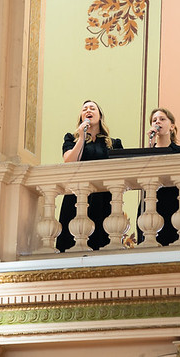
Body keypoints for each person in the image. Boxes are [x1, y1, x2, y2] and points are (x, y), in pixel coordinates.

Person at [56, 100, 123, 252]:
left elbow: (121, 169)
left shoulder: (113, 143)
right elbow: (69, 161)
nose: (88, 110)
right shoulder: (71, 139)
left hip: (103, 198)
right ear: (81, 117)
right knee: (72, 241)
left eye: (92, 108)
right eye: (84, 109)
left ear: (100, 116)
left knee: (101, 241)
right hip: (76, 196)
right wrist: (81, 137)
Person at [146, 108, 180, 246]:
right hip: (150, 204)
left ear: (172, 126)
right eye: (154, 120)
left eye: (162, 119)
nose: (157, 122)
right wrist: (150, 146)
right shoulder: (147, 153)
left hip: (173, 204)